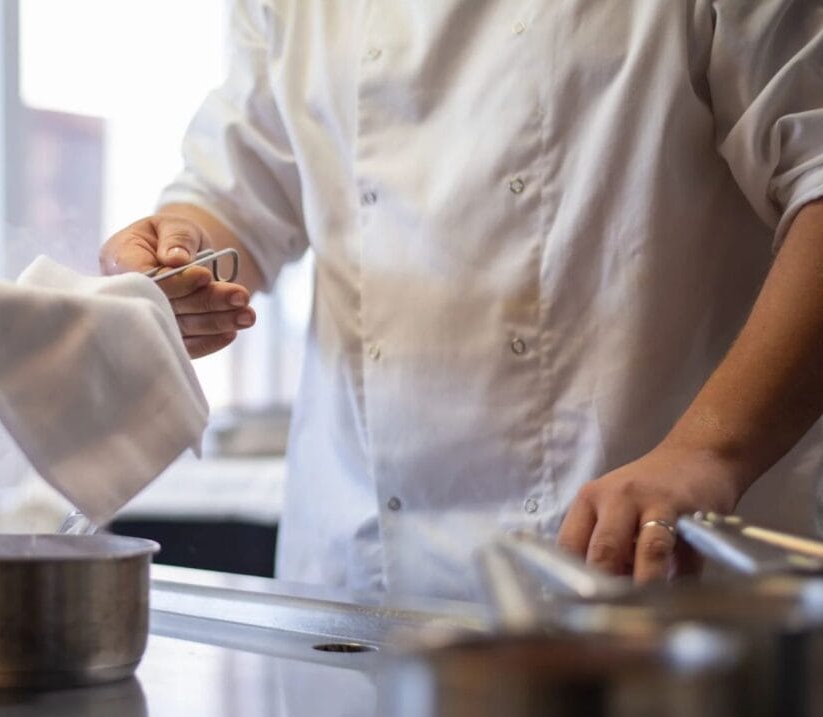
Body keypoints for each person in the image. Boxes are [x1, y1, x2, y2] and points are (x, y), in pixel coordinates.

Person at [99, 0, 823, 600]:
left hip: (642, 577)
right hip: (359, 584)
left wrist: (708, 451)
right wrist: (179, 254)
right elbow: (237, 194)